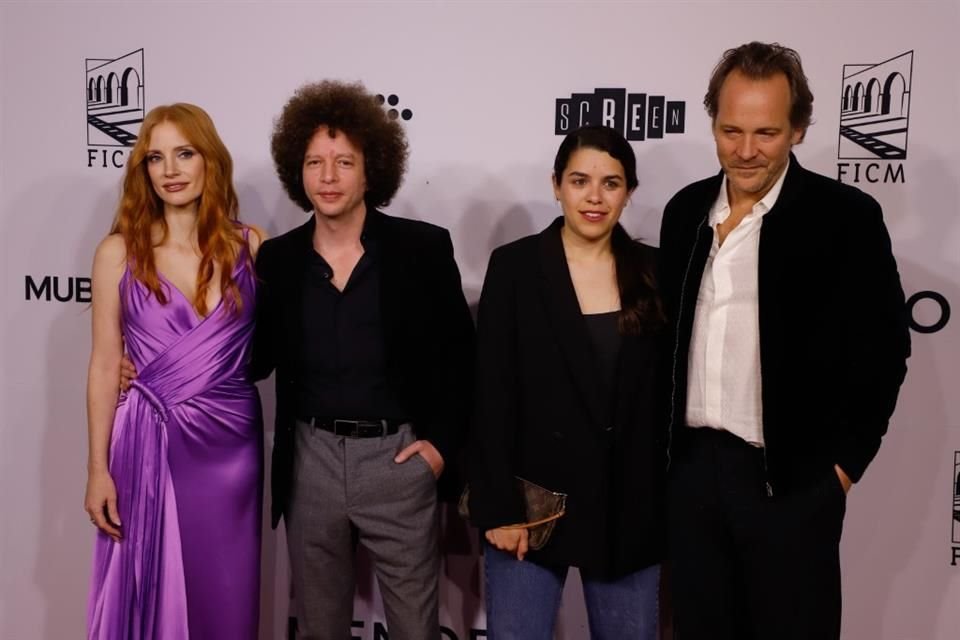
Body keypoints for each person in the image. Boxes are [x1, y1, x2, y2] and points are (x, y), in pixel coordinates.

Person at [659, 42, 911, 639]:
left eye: (766, 132)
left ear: (798, 129)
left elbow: (884, 351)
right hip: (692, 476)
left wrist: (842, 470)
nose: (745, 151)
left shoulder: (845, 217)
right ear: (713, 123)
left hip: (790, 483)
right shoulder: (683, 211)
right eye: (730, 130)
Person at [253, 80, 475, 640]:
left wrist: (441, 450)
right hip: (311, 462)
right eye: (314, 162)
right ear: (296, 172)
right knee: (321, 627)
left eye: (343, 161)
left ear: (370, 169)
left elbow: (461, 361)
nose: (327, 177)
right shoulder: (277, 260)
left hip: (398, 460)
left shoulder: (422, 249)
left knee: (414, 630)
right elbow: (250, 359)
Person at [466, 125, 666, 639]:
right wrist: (499, 509)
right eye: (579, 181)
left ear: (630, 192)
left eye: (611, 183)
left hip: (630, 510)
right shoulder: (514, 267)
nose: (594, 197)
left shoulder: (654, 271)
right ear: (556, 185)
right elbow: (490, 394)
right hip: (530, 510)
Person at [84, 103, 265, 639]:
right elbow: (101, 362)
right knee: (149, 587)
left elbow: (288, 346)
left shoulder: (252, 246)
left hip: (233, 450)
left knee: (226, 596)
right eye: (155, 158)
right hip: (146, 443)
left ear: (210, 160)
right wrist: (97, 467)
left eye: (184, 153)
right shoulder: (119, 251)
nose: (170, 170)